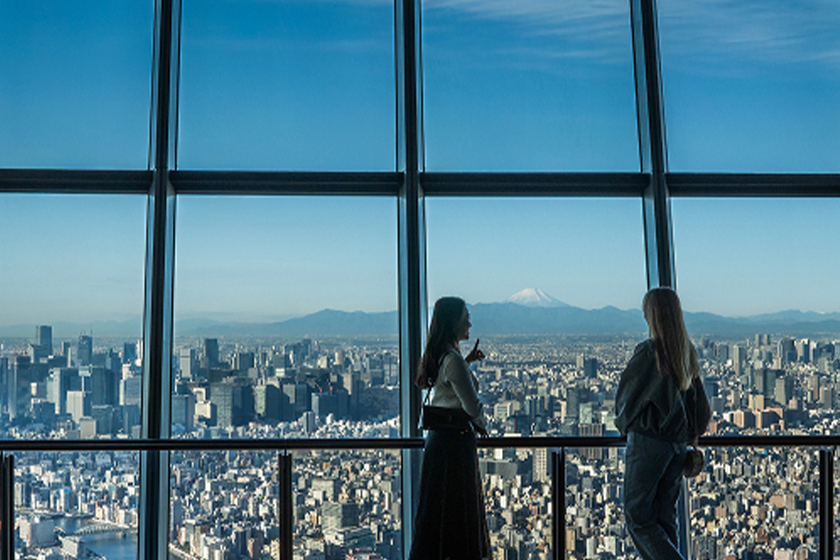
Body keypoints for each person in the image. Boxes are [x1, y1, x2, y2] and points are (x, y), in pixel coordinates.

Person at [615, 287, 706, 560]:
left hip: (649, 442)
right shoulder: (685, 351)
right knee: (665, 518)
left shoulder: (649, 352)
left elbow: (626, 399)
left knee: (639, 517)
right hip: (678, 445)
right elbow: (698, 402)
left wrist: (624, 425)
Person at [409, 296, 491, 560]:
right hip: (455, 447)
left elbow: (447, 389)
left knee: (439, 518)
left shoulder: (445, 354)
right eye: (465, 316)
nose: (469, 321)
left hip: (439, 444)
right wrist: (483, 426)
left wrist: (466, 362)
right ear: (453, 322)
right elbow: (471, 406)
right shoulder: (452, 359)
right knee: (459, 516)